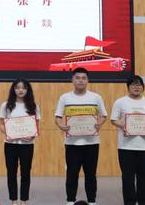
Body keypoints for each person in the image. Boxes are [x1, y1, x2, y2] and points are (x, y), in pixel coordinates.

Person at [54, 67, 107, 205]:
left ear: (88, 80)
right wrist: (61, 126)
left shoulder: (96, 97)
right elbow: (58, 117)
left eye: (83, 78)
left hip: (92, 143)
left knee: (91, 174)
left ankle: (92, 201)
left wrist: (99, 124)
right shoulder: (65, 98)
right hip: (72, 143)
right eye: (77, 78)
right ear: (72, 80)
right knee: (72, 174)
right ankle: (70, 201)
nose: (80, 80)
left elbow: (104, 115)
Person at [110, 74, 145, 205]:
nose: (136, 87)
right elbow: (113, 120)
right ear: (128, 87)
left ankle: (144, 202)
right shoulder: (120, 102)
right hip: (125, 146)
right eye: (133, 85)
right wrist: (126, 125)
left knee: (144, 177)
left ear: (143, 87)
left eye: (139, 85)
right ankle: (129, 202)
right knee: (127, 178)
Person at [0, 78, 40, 205]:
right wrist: (8, 133)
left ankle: (24, 200)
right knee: (11, 173)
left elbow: (36, 126)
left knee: (25, 173)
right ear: (13, 89)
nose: (20, 90)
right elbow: (1, 125)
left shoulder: (33, 106)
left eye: (23, 88)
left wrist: (32, 136)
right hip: (10, 145)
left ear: (28, 90)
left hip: (27, 145)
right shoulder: (6, 105)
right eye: (17, 88)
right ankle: (13, 200)